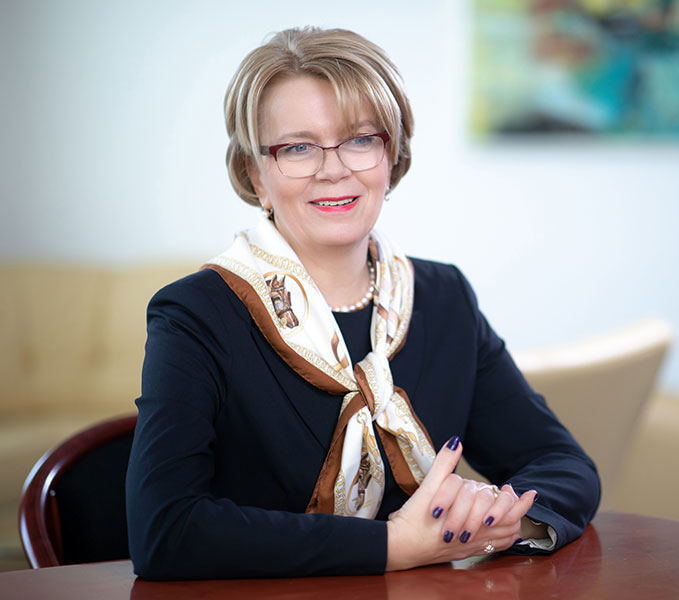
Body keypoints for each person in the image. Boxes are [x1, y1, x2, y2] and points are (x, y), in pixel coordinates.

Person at [125, 26, 600, 580]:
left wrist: (496, 515)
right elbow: (165, 530)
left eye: (359, 139)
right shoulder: (197, 314)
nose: (334, 169)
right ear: (255, 173)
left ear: (390, 155)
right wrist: (395, 546)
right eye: (298, 147)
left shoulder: (442, 297)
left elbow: (564, 465)